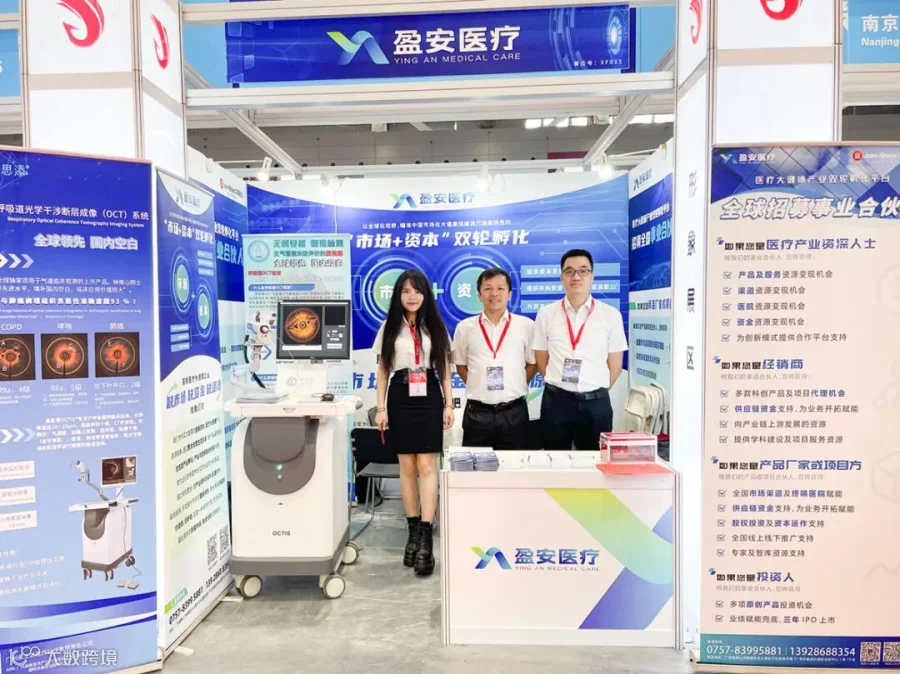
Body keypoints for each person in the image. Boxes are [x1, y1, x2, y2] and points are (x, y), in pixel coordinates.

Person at [373, 270, 453, 576]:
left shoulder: (436, 326)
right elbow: (383, 370)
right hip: (400, 395)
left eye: (417, 291)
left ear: (425, 295)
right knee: (406, 466)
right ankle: (413, 531)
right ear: (398, 295)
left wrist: (448, 403)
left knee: (427, 466)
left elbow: (444, 369)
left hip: (430, 395)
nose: (412, 296)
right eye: (406, 291)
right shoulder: (389, 327)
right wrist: (381, 408)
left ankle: (427, 537)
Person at [533, 249, 627, 450]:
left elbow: (616, 366)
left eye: (583, 271)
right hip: (556, 403)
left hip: (596, 404)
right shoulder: (546, 314)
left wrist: (592, 388)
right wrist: (560, 386)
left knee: (595, 461)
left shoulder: (610, 315)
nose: (576, 277)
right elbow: (541, 359)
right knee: (554, 460)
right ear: (562, 277)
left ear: (592, 276)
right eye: (569, 271)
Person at [451, 268, 536, 450]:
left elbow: (532, 363)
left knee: (515, 465)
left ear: (509, 294)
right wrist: (479, 384)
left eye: (500, 288)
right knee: (476, 466)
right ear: (479, 294)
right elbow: (461, 365)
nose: (494, 294)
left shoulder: (526, 326)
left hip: (514, 412)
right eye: (488, 288)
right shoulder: (464, 328)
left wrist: (516, 383)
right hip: (477, 414)